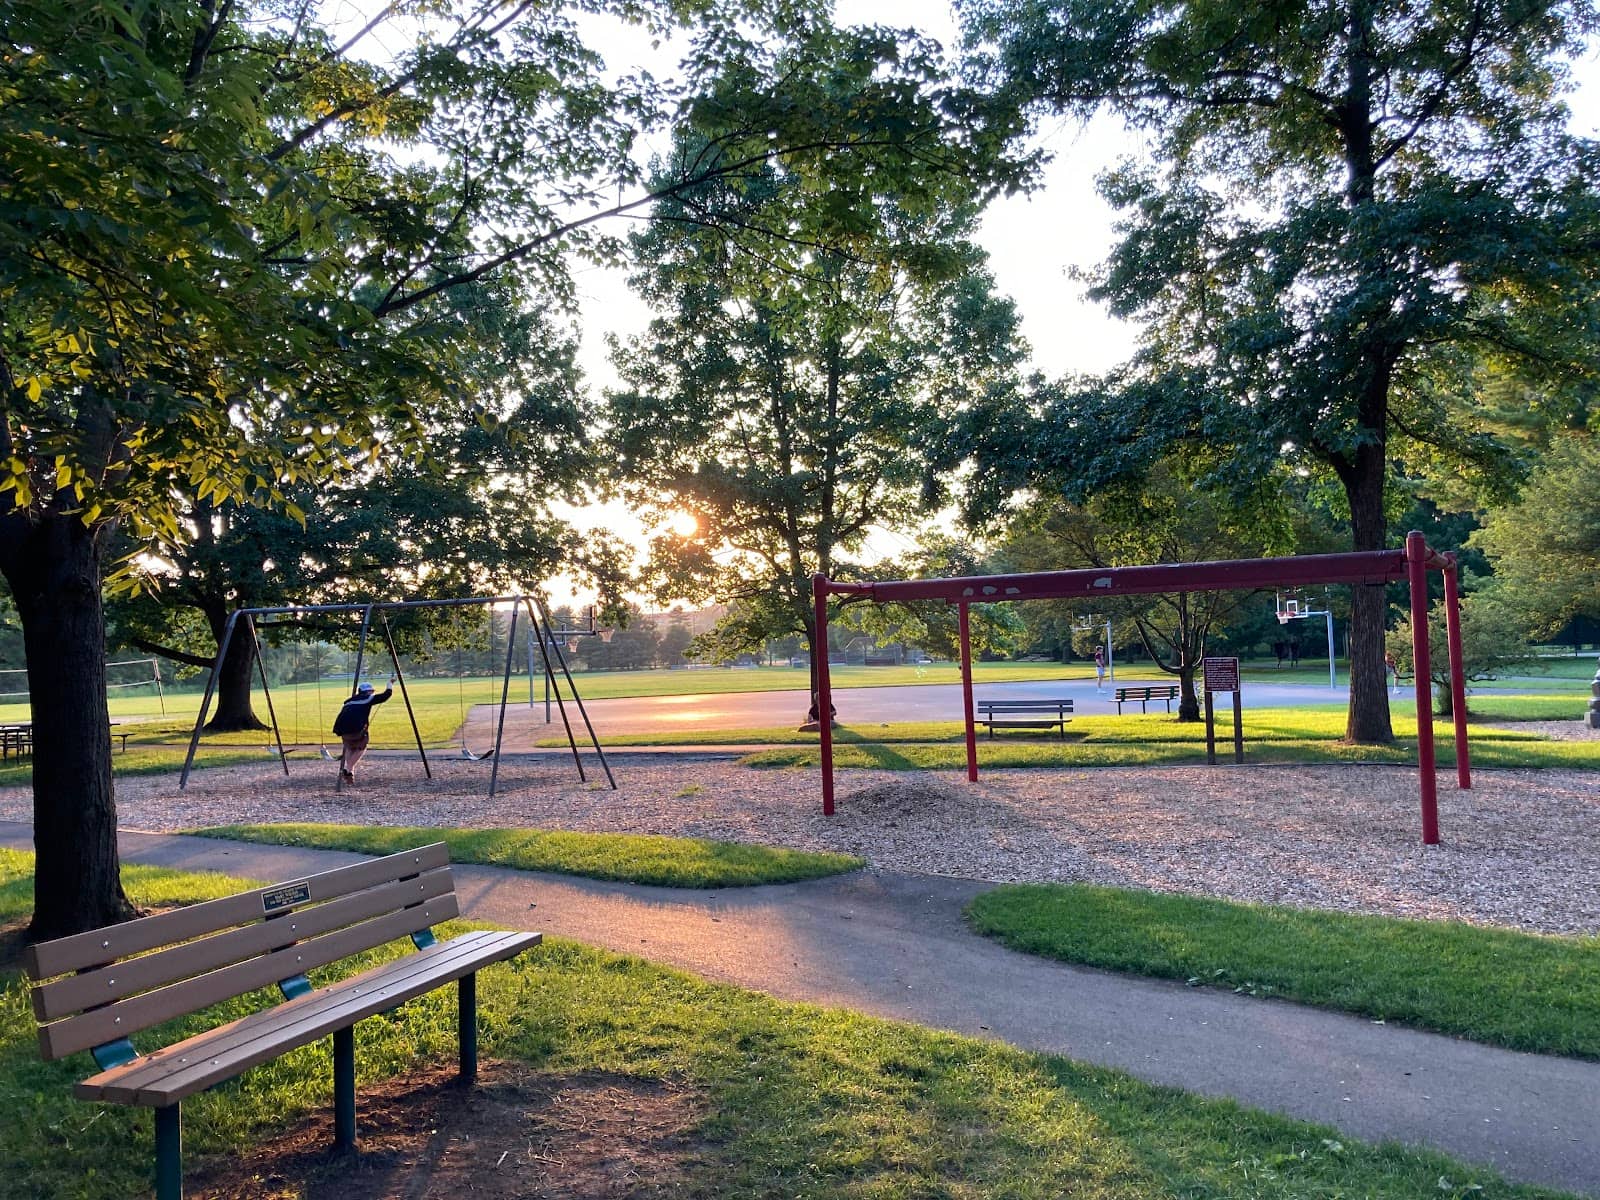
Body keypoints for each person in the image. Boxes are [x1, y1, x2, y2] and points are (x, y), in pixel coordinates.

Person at [332, 678, 393, 784]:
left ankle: (350, 773)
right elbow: (386, 695)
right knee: (361, 747)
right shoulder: (368, 698)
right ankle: (347, 769)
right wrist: (389, 684)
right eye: (371, 691)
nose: (372, 693)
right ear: (368, 692)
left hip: (341, 729)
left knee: (349, 748)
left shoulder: (349, 701)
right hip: (356, 729)